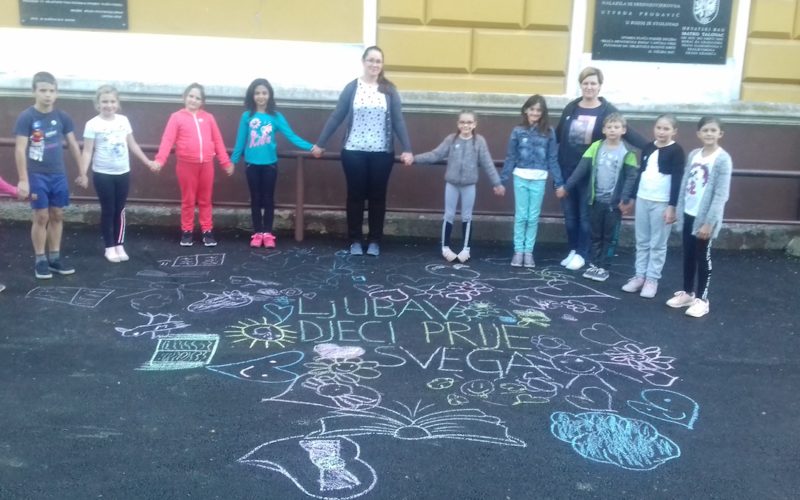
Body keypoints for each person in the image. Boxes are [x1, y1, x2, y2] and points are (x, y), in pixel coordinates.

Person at [313, 46, 413, 257]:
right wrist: (320, 143)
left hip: (382, 153)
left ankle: (375, 240)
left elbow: (398, 120)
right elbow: (337, 116)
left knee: (378, 197)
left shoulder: (389, 90)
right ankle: (355, 240)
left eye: (378, 61)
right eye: (371, 60)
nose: (374, 65)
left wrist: (408, 149)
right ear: (363, 62)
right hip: (354, 151)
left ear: (382, 65)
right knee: (355, 196)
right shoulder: (352, 88)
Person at [555, 67, 646, 271]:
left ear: (599, 86)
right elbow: (558, 136)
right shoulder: (571, 108)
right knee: (570, 216)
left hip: (590, 175)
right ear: (581, 85)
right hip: (567, 171)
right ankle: (573, 249)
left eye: (593, 83)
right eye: (585, 83)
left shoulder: (607, 110)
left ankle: (583, 252)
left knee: (585, 216)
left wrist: (651, 147)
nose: (589, 87)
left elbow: (627, 132)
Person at [231, 78, 322, 249]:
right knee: (255, 199)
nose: (261, 96)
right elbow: (240, 141)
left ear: (269, 95)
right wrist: (233, 161)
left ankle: (267, 233)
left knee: (268, 199)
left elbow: (292, 136)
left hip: (270, 166)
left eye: (264, 93)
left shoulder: (276, 117)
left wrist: (311, 147)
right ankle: (257, 233)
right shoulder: (247, 116)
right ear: (252, 95)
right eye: (257, 93)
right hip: (251, 165)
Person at [14, 71, 82, 279]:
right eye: (43, 90)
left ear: (56, 93)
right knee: (41, 216)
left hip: (58, 175)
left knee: (58, 214)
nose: (47, 95)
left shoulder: (62, 117)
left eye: (51, 91)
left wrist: (82, 171)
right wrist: (23, 179)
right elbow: (19, 149)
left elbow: (73, 144)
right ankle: (40, 260)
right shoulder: (27, 117)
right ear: (34, 92)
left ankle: (54, 258)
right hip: (37, 175)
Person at [413, 110, 505, 263]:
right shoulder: (451, 139)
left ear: (474, 124)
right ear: (458, 124)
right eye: (462, 122)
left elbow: (488, 163)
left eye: (469, 122)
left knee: (467, 216)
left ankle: (466, 249)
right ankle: (445, 248)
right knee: (448, 215)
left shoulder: (479, 141)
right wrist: (415, 159)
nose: (465, 125)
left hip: (469, 185)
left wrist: (497, 183)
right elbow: (435, 154)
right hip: (452, 184)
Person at [78, 85, 156, 263]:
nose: (109, 105)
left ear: (118, 103)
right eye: (104, 101)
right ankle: (109, 247)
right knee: (108, 209)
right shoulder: (92, 124)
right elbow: (87, 151)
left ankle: (119, 244)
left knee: (120, 210)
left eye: (112, 101)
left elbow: (132, 144)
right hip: (102, 173)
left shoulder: (123, 121)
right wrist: (83, 173)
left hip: (122, 172)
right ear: (98, 104)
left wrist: (148, 161)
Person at [557, 113, 638, 282]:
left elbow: (631, 177)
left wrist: (625, 198)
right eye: (609, 127)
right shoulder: (596, 147)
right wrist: (567, 187)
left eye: (616, 127)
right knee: (595, 235)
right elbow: (581, 169)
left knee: (609, 236)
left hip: (613, 204)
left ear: (623, 130)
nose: (612, 130)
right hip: (596, 201)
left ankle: (604, 267)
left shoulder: (628, 152)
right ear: (603, 130)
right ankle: (594, 263)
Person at [666, 116, 732, 318]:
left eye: (713, 130)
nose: (709, 134)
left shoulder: (722, 159)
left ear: (720, 134)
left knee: (703, 257)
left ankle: (702, 300)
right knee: (688, 254)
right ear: (698, 133)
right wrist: (678, 209)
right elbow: (686, 183)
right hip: (689, 213)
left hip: (705, 219)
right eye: (705, 130)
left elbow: (721, 194)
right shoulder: (694, 154)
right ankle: (687, 293)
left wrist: (709, 222)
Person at [154, 83, 234, 247]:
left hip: (207, 165)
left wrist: (225, 162)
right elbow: (167, 140)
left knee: (205, 200)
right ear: (184, 97)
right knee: (188, 200)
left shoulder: (209, 118)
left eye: (198, 98)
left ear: (202, 102)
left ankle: (207, 230)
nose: (193, 100)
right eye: (191, 96)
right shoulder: (176, 117)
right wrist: (160, 160)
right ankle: (187, 231)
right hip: (186, 165)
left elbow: (217, 140)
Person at [621, 114, 685, 298]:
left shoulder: (677, 151)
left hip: (662, 202)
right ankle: (639, 276)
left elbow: (677, 180)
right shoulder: (648, 147)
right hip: (643, 198)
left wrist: (672, 206)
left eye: (666, 129)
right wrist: (632, 197)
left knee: (657, 243)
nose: (661, 132)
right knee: (642, 241)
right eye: (659, 128)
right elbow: (641, 172)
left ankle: (652, 279)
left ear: (674, 131)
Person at [500, 95, 564, 268]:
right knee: (521, 216)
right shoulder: (517, 131)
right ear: (526, 110)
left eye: (538, 110)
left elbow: (552, 158)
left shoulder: (549, 132)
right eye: (532, 109)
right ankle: (518, 251)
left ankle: (528, 252)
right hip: (520, 176)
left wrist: (559, 182)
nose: (535, 113)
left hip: (539, 177)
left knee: (533, 217)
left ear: (543, 113)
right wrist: (502, 180)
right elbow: (511, 157)